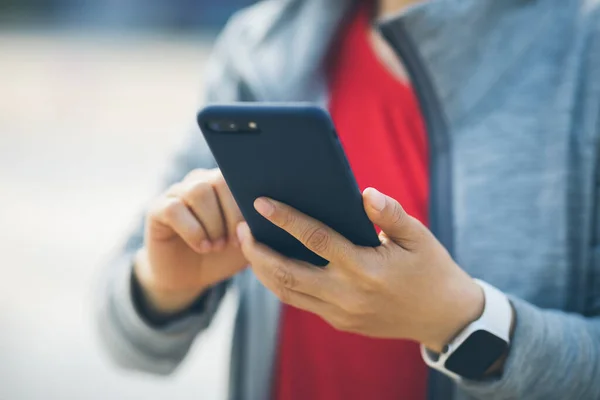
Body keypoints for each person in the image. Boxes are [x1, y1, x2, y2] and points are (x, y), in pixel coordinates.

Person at [96, 0, 600, 399]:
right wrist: (163, 286)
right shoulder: (263, 44)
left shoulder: (583, 47)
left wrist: (465, 324)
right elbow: (122, 341)